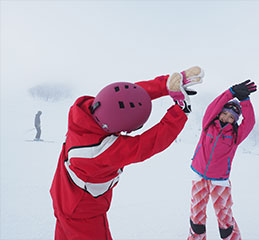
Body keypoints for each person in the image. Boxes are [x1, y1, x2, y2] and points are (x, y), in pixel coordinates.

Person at [50, 66, 204, 240]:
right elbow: (148, 144)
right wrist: (180, 110)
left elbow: (124, 97)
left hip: (63, 198)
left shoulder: (85, 112)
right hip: (83, 213)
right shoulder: (101, 152)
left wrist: (167, 84)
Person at [188, 80, 257, 240]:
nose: (226, 118)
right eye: (225, 113)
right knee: (196, 214)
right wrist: (231, 92)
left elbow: (250, 122)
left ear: (235, 120)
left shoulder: (235, 136)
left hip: (220, 181)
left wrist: (245, 101)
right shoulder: (208, 125)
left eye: (231, 117)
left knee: (225, 217)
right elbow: (213, 107)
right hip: (199, 175)